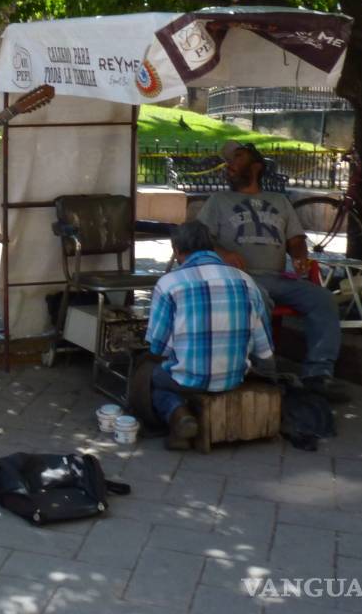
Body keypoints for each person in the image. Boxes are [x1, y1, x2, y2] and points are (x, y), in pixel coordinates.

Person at [195, 140, 349, 402]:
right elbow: (199, 239)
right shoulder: (218, 201)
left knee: (322, 299)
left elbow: (296, 240)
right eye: (229, 160)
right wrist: (224, 253)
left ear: (255, 167)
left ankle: (318, 375)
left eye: (237, 158)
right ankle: (262, 372)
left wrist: (300, 257)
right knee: (259, 299)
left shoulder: (279, 201)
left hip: (278, 278)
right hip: (239, 280)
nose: (229, 165)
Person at [145, 221, 275, 449]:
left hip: (188, 379)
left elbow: (159, 349)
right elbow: (264, 349)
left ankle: (177, 414)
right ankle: (181, 419)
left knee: (147, 376)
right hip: (233, 378)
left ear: (176, 250)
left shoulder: (168, 284)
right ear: (210, 246)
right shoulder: (246, 281)